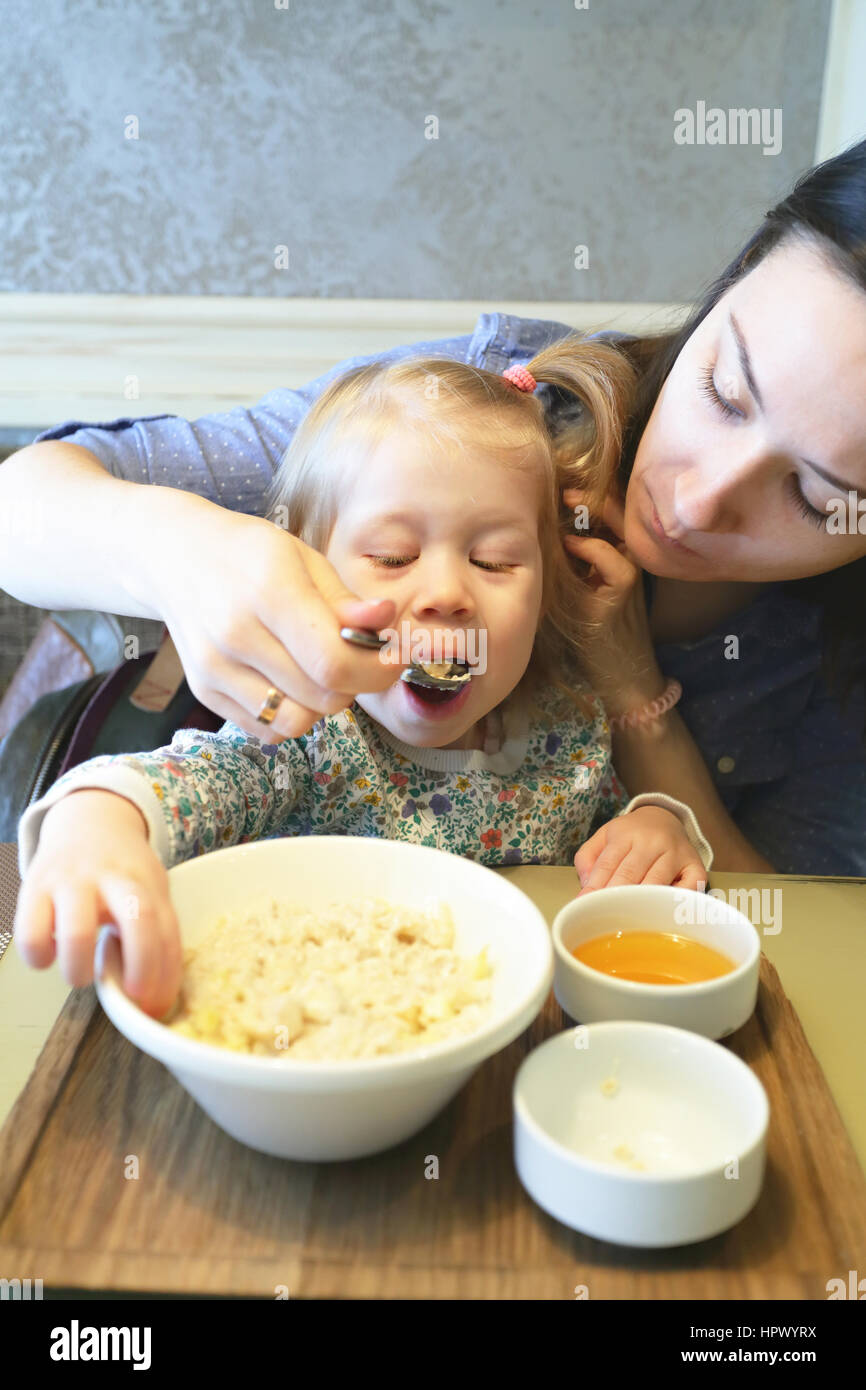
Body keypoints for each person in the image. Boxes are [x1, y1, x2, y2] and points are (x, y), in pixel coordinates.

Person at [2, 140, 865, 873]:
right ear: (737, 275)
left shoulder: (567, 750)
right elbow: (23, 506)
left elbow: (795, 933)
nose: (699, 499)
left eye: (815, 493)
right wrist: (180, 553)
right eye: (723, 390)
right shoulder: (468, 421)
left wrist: (648, 752)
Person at [14, 342, 713, 1018]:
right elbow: (182, 785)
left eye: (495, 561)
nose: (446, 592)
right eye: (392, 555)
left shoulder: (569, 732)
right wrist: (97, 820)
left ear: (548, 592)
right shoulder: (303, 739)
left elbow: (618, 837)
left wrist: (657, 825)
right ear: (309, 574)